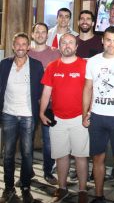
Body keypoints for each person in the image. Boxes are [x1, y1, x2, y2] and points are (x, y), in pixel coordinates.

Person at [82, 26, 114, 203]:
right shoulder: (93, 61)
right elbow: (88, 88)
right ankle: (98, 195)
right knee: (97, 157)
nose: (111, 44)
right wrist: (84, 112)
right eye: (108, 40)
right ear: (103, 40)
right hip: (97, 116)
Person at [39, 34, 89, 203]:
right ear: (59, 46)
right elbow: (46, 92)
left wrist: (89, 112)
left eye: (70, 43)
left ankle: (82, 190)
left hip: (79, 119)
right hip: (58, 119)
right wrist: (41, 112)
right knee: (61, 156)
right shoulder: (52, 66)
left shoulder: (85, 65)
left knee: (81, 156)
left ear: (76, 47)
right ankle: (62, 188)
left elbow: (92, 91)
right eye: (63, 42)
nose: (67, 45)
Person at [0, 33, 44, 203]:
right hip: (8, 114)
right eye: (17, 44)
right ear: (13, 46)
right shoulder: (4, 65)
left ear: (28, 47)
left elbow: (41, 91)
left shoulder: (36, 65)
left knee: (27, 153)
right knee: (8, 154)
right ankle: (9, 187)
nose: (20, 47)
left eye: (24, 44)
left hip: (28, 116)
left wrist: (42, 111)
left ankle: (25, 186)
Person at [28, 22, 61, 186]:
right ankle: (28, 171)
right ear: (33, 34)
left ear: (47, 35)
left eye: (43, 32)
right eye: (37, 32)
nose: (40, 34)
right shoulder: (25, 52)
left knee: (49, 142)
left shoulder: (55, 53)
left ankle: (48, 171)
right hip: (29, 103)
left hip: (50, 104)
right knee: (28, 139)